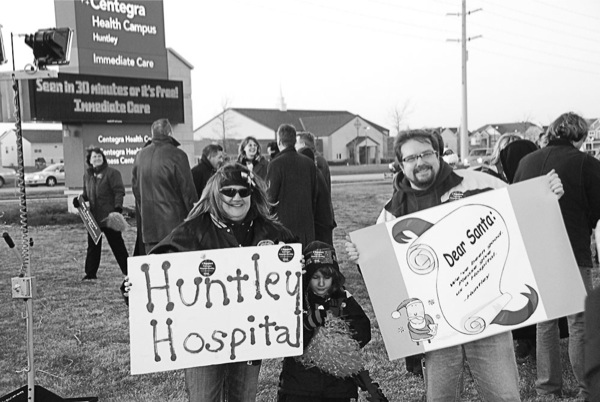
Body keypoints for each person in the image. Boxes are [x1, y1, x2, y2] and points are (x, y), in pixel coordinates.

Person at [345, 129, 564, 401]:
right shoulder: (393, 211)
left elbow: (524, 208)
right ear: (401, 165)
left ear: (438, 154)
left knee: (504, 394)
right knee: (441, 397)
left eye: (426, 154)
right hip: (437, 325)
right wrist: (362, 256)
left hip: (488, 312)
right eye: (411, 158)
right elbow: (381, 269)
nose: (420, 162)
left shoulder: (477, 183)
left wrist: (547, 195)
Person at [131, 163, 297, 402]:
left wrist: (299, 266)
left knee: (243, 398)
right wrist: (134, 288)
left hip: (249, 336)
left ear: (253, 194)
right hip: (202, 341)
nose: (236, 197)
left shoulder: (270, 232)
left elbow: (299, 259)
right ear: (215, 195)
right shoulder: (193, 231)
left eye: (243, 191)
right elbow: (155, 270)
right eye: (228, 192)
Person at [514, 112, 600, 400]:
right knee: (579, 321)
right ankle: (587, 387)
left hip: (536, 248)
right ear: (579, 136)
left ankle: (547, 388)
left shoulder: (527, 162)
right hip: (573, 247)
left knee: (545, 320)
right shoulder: (586, 163)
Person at [277, 241, 371, 402]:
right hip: (299, 387)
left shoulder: (344, 299)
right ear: (307, 277)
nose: (321, 283)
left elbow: (364, 330)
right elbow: (285, 340)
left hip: (338, 387)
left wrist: (337, 340)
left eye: (327, 277)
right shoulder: (295, 300)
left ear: (334, 277)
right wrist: (309, 326)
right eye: (315, 277)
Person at [132, 118, 198, 254]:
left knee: (155, 268)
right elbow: (188, 192)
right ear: (169, 133)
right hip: (174, 225)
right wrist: (196, 218)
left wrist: (144, 211)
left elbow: (136, 190)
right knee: (177, 269)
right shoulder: (178, 155)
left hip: (149, 226)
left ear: (152, 134)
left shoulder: (140, 156)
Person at [74, 147, 128, 280]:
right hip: (93, 218)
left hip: (109, 217)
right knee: (93, 246)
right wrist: (79, 200)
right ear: (89, 160)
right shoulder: (87, 175)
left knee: (117, 245)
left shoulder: (112, 173)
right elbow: (86, 194)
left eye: (99, 156)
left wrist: (117, 209)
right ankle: (90, 273)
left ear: (103, 158)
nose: (97, 158)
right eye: (94, 157)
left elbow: (118, 191)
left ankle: (129, 271)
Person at [267, 124, 321, 247]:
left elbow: (270, 199)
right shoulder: (309, 163)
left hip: (284, 230)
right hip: (306, 227)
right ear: (294, 141)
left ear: (279, 141)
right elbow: (314, 195)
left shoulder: (275, 164)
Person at [298, 147, 335, 245]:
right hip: (324, 224)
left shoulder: (312, 176)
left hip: (319, 226)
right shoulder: (316, 173)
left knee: (321, 253)